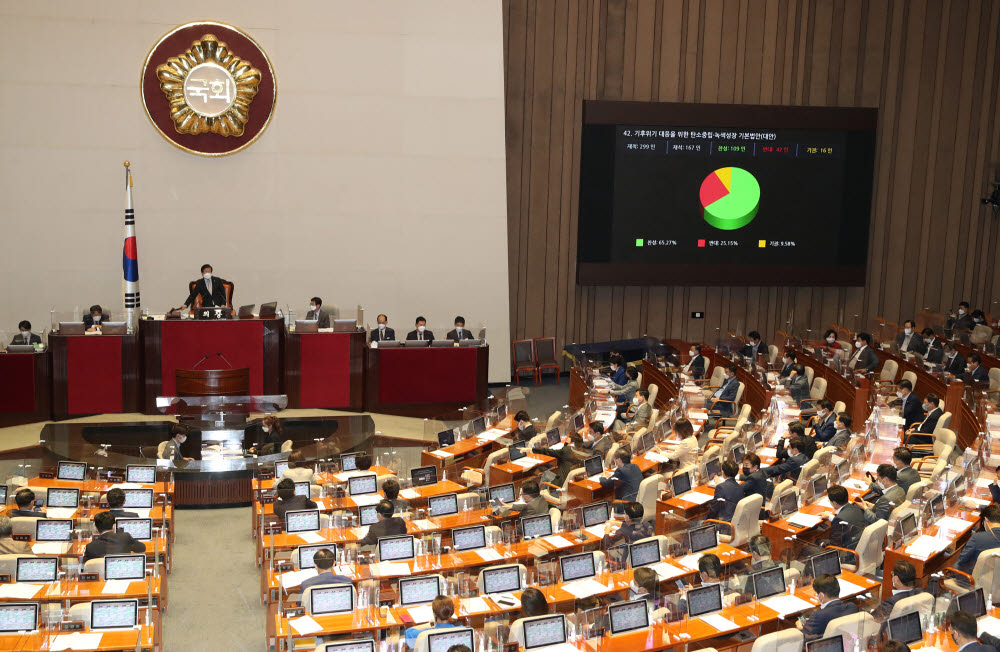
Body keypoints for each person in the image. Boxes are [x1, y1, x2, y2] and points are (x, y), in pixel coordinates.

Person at [797, 574, 858, 640]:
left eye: (817, 594)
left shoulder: (819, 615)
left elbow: (803, 637)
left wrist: (800, 627)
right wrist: (809, 621)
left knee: (801, 618)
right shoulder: (852, 607)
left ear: (821, 595)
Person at [956, 504, 1000, 574]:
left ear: (986, 519)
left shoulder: (977, 538)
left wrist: (950, 572)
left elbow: (961, 561)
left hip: (976, 578)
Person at [826, 485, 866, 551]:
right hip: (858, 544)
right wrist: (830, 517)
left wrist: (822, 544)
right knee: (819, 540)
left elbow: (834, 546)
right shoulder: (856, 508)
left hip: (847, 552)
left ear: (834, 503)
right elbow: (845, 521)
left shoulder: (839, 519)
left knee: (807, 549)